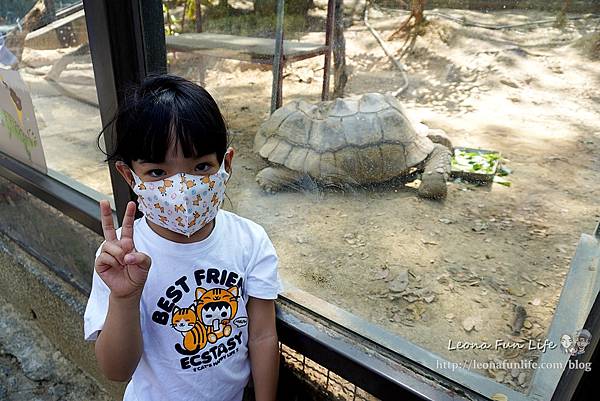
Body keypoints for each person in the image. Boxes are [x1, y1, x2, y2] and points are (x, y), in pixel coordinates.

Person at [84, 74, 282, 401]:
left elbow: (261, 337)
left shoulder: (250, 241)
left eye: (201, 167)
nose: (182, 189)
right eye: (158, 173)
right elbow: (117, 371)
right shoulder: (120, 258)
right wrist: (123, 298)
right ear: (129, 176)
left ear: (226, 164)